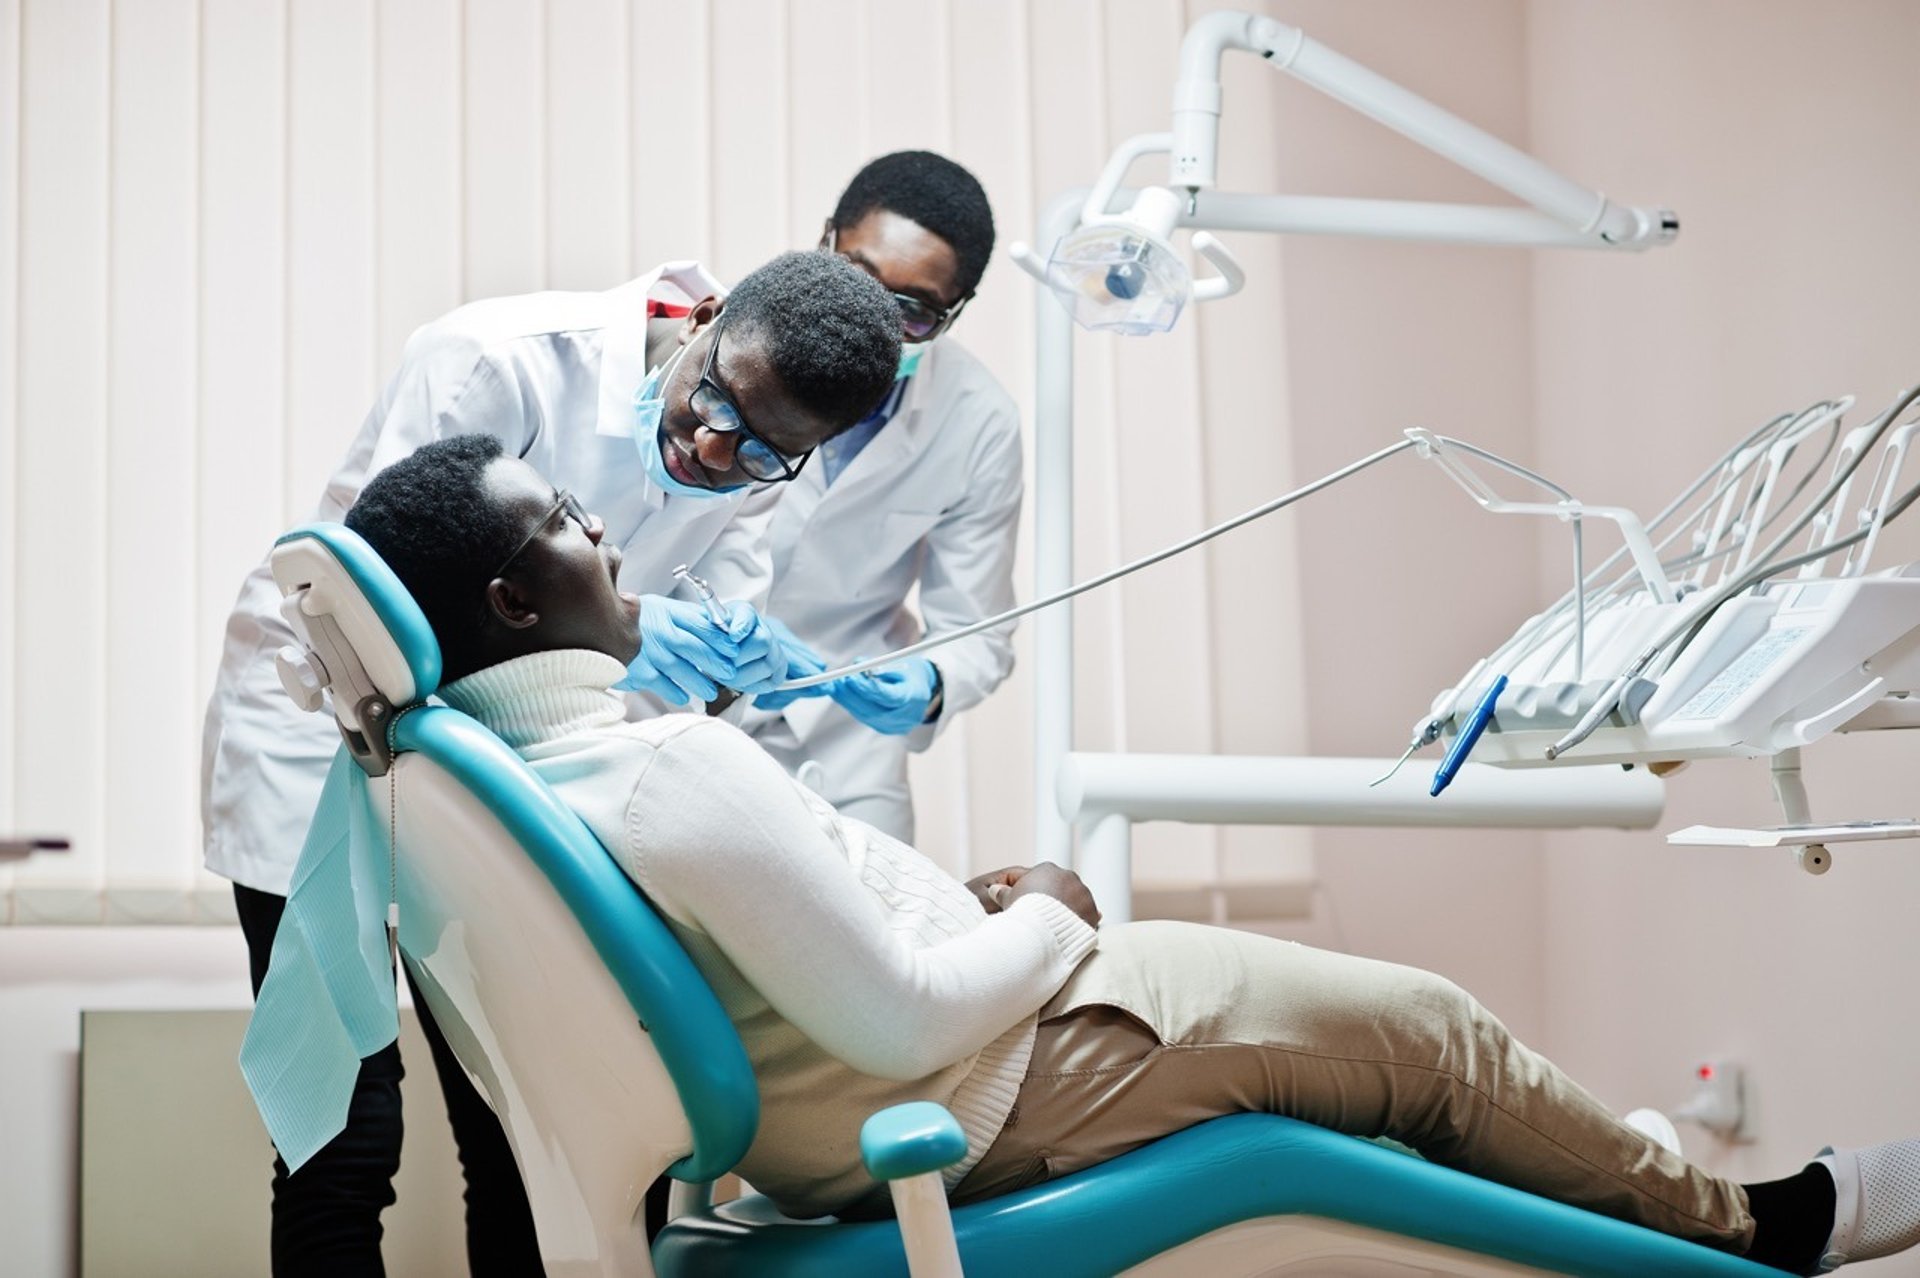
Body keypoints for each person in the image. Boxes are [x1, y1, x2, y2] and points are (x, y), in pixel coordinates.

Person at [341, 435, 1920, 1277]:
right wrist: (1057, 914)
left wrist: (980, 909)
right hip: (984, 1075)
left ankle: (1604, 1183)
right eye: (563, 520)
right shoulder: (662, 766)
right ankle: (1756, 1234)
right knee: (1431, 1039)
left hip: (885, 1095)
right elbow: (896, 1020)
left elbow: (806, 966)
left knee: (1418, 1079)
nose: (606, 535)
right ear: (503, 603)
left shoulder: (499, 768)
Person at [204, 250, 902, 1277]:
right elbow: (375, 589)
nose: (713, 449)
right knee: (342, 1132)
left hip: (509, 773)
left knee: (524, 1123)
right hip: (318, 741)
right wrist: (626, 630)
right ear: (704, 319)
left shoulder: (758, 452)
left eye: (760, 453)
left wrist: (740, 662)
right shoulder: (499, 362)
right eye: (714, 402)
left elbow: (695, 648)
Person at [748, 152, 1023, 843]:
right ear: (824, 242)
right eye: (856, 278)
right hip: (672, 707)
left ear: (953, 314)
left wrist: (929, 683)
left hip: (844, 743)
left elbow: (978, 631)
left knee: (884, 936)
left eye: (915, 311)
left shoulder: (977, 422)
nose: (874, 321)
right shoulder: (728, 347)